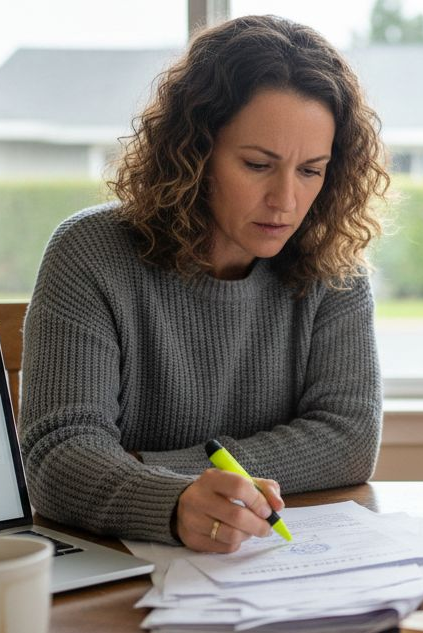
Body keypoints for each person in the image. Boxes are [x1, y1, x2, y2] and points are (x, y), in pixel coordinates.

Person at [20, 16, 389, 552]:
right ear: (193, 154)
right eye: (258, 164)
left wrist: (159, 471)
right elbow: (57, 457)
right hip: (121, 574)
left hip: (267, 564)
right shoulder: (91, 253)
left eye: (311, 170)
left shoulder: (333, 264)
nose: (285, 201)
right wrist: (174, 505)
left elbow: (349, 438)